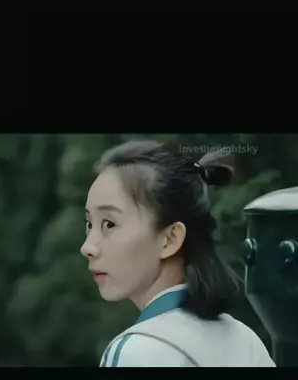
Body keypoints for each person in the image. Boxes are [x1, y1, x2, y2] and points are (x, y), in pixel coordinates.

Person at [80, 138, 276, 367]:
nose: (87, 247)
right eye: (90, 224)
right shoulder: (245, 341)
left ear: (170, 239)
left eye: (109, 224)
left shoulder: (136, 351)